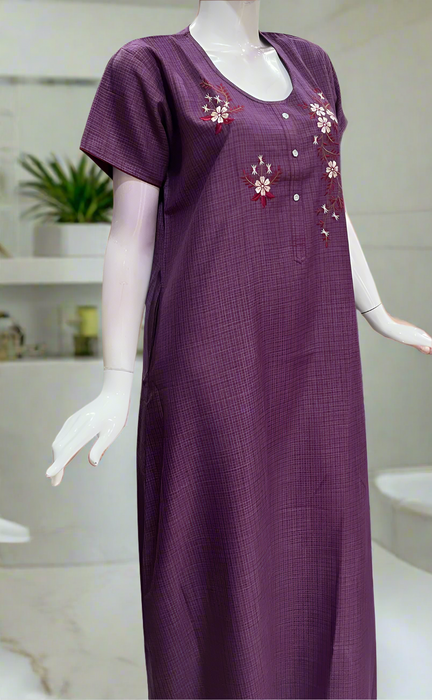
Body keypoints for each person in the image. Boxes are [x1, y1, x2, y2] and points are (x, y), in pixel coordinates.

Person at [46, 1, 432, 697]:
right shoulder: (150, 68)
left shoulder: (312, 64)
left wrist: (376, 311)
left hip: (320, 361)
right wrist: (115, 380)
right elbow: (129, 238)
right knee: (222, 555)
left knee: (318, 551)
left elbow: (331, 199)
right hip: (212, 356)